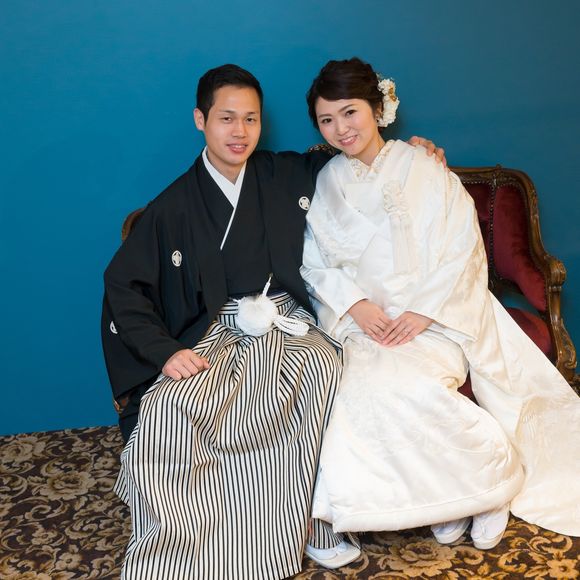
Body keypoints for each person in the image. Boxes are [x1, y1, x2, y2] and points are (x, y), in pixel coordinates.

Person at [101, 63, 443, 579]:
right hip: (216, 331)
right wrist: (164, 351)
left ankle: (316, 523)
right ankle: (192, 543)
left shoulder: (288, 173)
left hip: (290, 320)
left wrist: (415, 156)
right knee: (170, 410)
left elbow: (360, 155)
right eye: (226, 118)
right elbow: (123, 285)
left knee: (320, 372)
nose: (239, 132)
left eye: (251, 119)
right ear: (200, 120)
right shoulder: (173, 206)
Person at [300, 57, 580, 567]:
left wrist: (423, 312)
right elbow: (315, 261)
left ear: (377, 108)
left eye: (350, 112)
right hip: (365, 326)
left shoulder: (424, 165)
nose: (341, 129)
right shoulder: (328, 182)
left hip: (434, 321)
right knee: (357, 389)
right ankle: (460, 496)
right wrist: (357, 306)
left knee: (409, 384)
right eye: (326, 120)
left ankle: (492, 482)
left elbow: (462, 249)